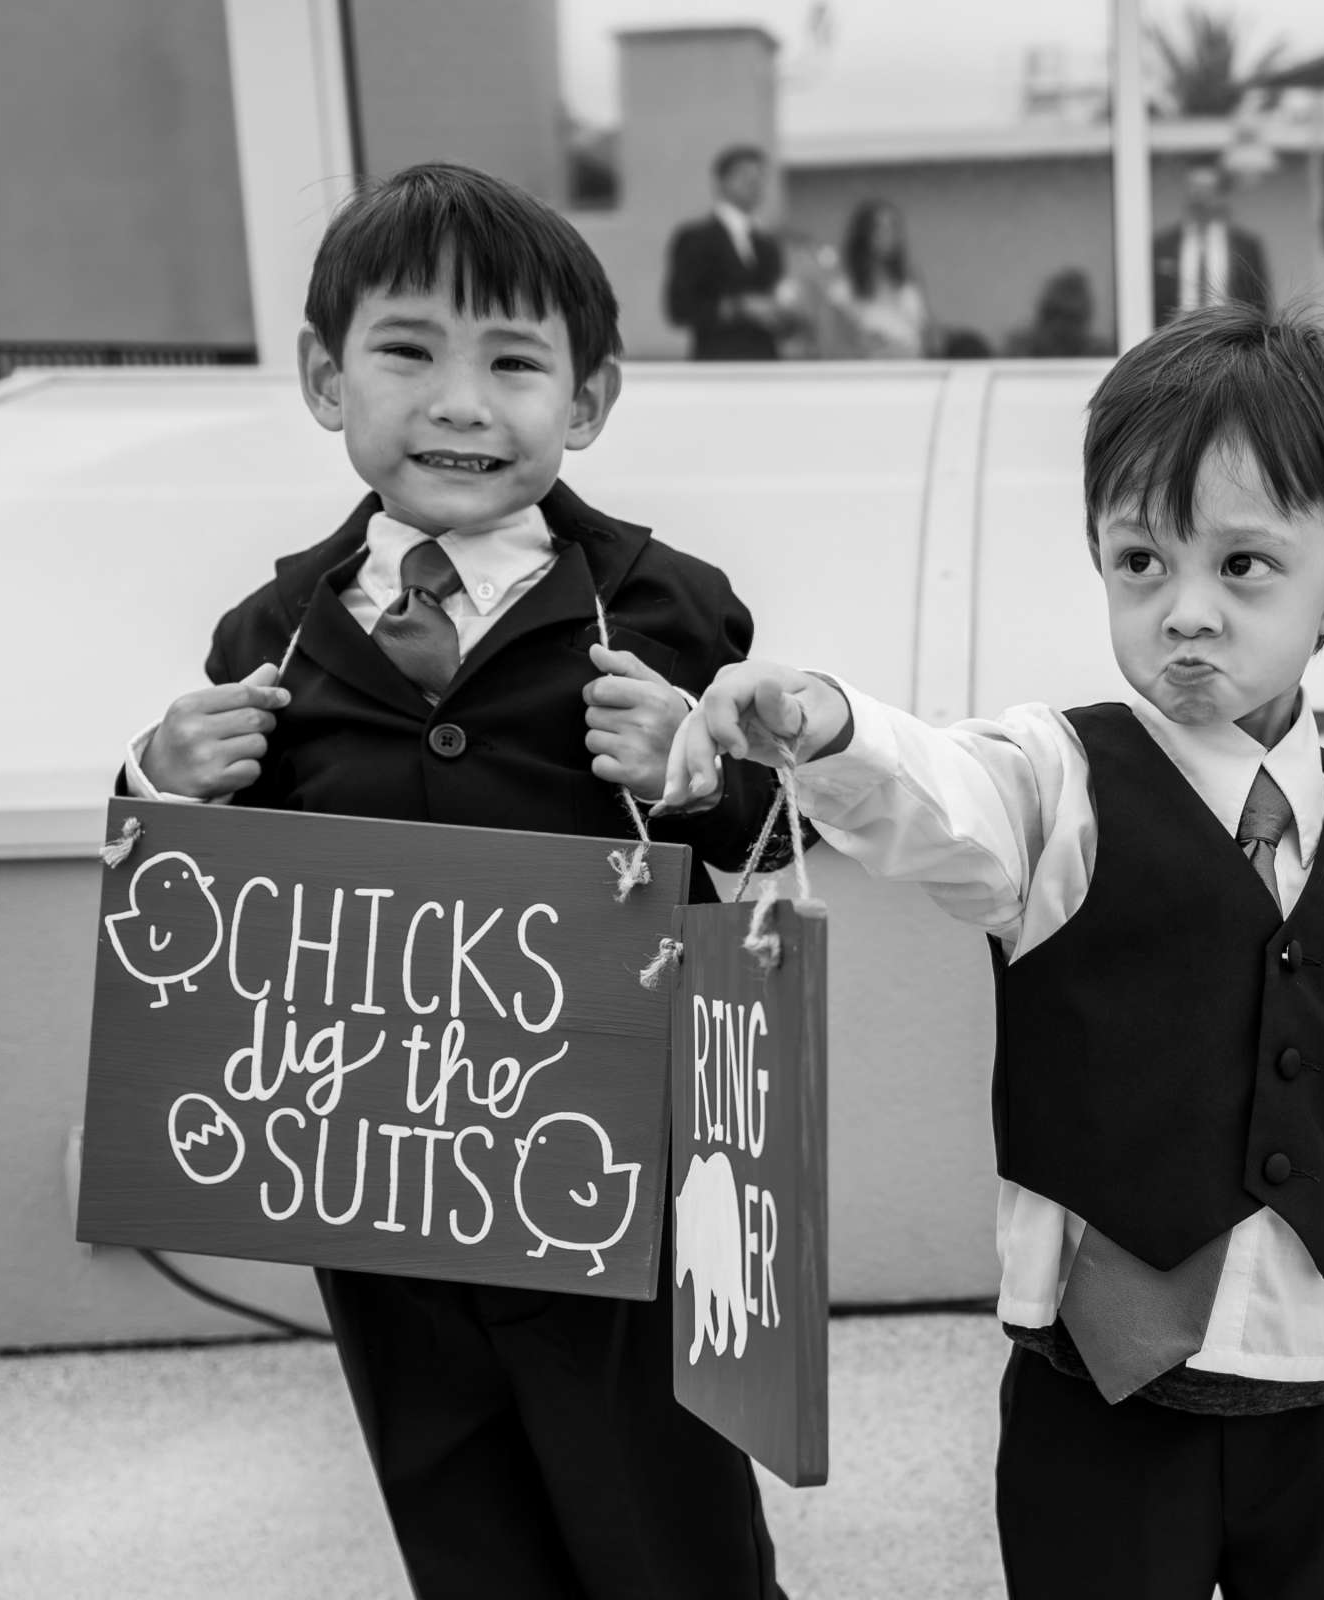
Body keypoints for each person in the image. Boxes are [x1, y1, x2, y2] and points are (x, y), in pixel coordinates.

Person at [663, 304, 1324, 1600]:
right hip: (1107, 1385)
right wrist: (817, 718)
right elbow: (936, 791)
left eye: (1243, 567)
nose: (1184, 613)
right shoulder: (1059, 780)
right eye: (1141, 561)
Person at [122, 162, 789, 1600]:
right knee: (460, 1508)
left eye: (514, 362)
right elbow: (215, 921)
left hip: (617, 1178)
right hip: (384, 1188)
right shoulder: (274, 629)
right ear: (324, 376)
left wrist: (700, 771)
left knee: (664, 1515)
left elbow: (773, 857)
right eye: (408, 351)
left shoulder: (672, 606)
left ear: (589, 401)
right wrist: (157, 786)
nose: (460, 403)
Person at [664, 144, 793, 361]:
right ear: (721, 181)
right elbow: (679, 308)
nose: (754, 183)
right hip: (718, 361)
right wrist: (740, 307)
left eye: (760, 176)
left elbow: (779, 305)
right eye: (744, 175)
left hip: (766, 361)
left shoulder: (767, 243)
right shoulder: (696, 238)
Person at [1152, 163, 1270, 323]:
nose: (1199, 197)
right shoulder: (1162, 245)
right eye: (1194, 189)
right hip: (1174, 339)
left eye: (1206, 190)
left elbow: (1260, 304)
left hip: (1229, 338)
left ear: (1221, 196)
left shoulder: (1246, 247)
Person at [822, 199, 934, 359]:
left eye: (893, 227)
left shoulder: (909, 281)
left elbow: (929, 333)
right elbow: (832, 348)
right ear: (865, 234)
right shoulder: (843, 291)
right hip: (873, 373)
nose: (889, 236)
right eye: (881, 228)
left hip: (916, 365)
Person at [1002, 267, 1109, 358]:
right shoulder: (1019, 351)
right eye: (1053, 314)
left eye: (1070, 317)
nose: (1060, 326)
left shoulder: (1098, 356)